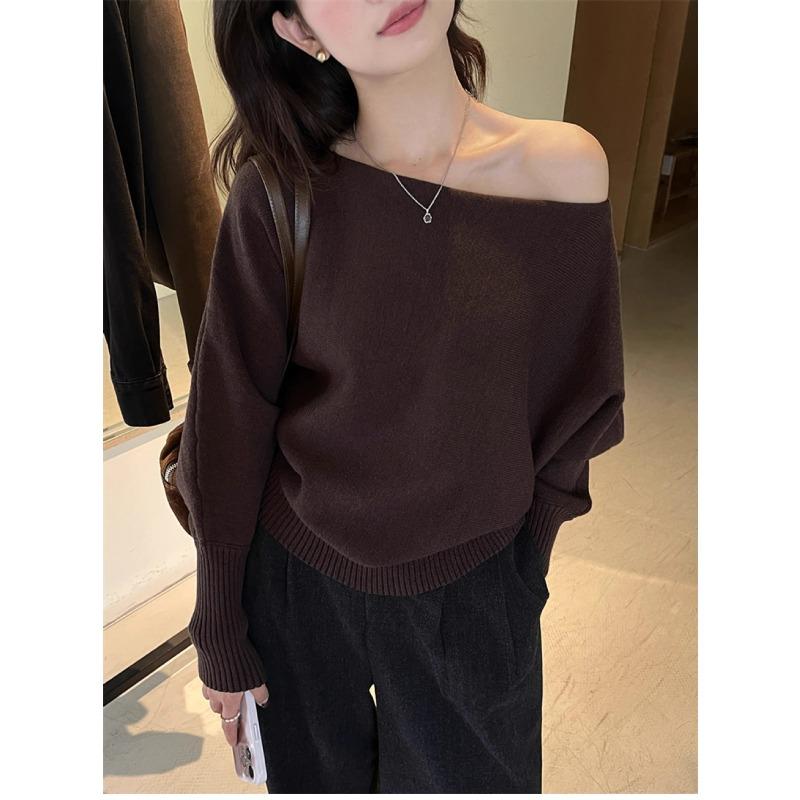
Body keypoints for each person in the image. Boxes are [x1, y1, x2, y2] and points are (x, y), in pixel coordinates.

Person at [174, 0, 626, 793]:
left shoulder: (562, 171)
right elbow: (228, 422)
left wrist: (520, 571)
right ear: (298, 30)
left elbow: (578, 399)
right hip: (298, 582)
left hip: (477, 588)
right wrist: (219, 625)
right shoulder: (278, 194)